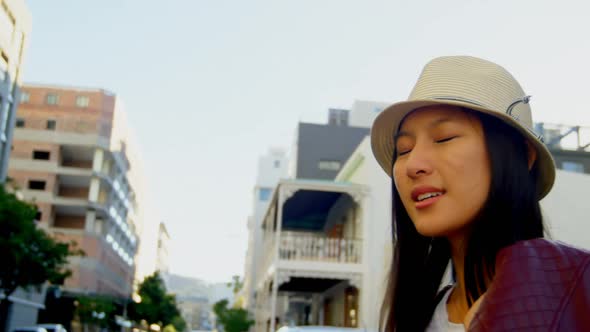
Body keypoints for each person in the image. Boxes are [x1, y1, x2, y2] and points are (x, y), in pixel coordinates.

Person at [370, 56, 590, 331]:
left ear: (523, 155)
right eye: (403, 149)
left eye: (444, 138)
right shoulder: (418, 315)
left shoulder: (577, 289)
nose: (413, 165)